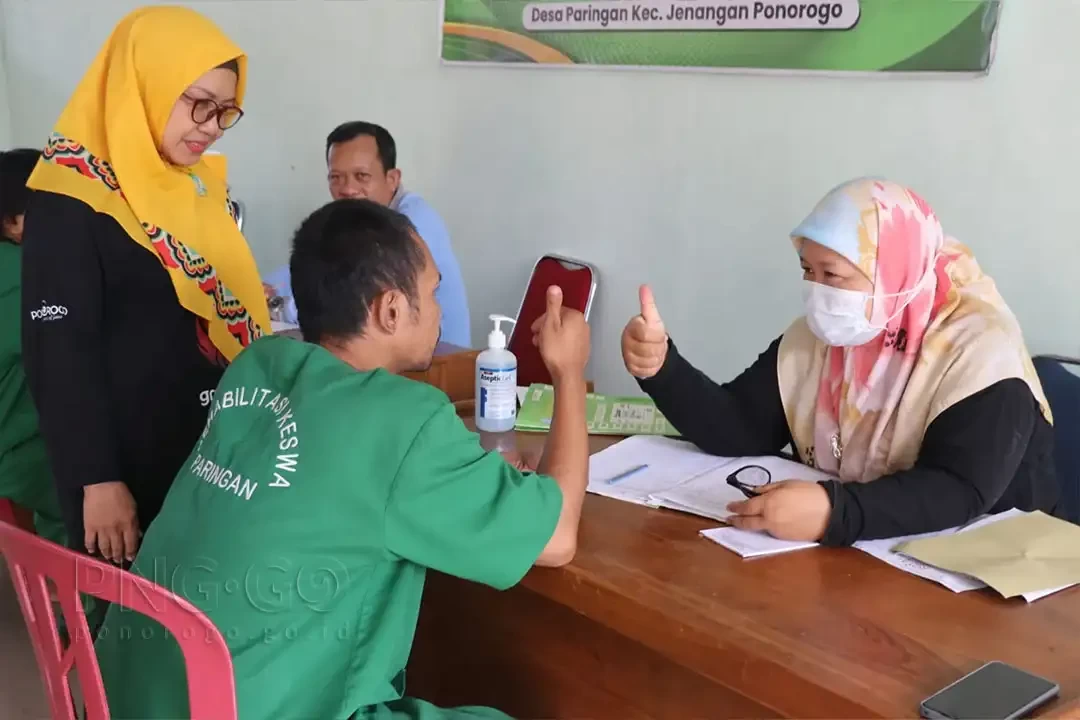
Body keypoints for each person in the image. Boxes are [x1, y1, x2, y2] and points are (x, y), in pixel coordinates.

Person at [94, 198, 591, 719]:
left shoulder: (256, 365)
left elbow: (323, 477)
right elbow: (557, 537)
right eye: (433, 291)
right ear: (391, 310)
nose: (441, 310)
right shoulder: (404, 418)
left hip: (132, 697)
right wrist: (569, 373)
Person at [622, 177, 1058, 545]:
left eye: (832, 274)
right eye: (807, 270)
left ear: (894, 274)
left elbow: (958, 488)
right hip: (873, 557)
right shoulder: (826, 334)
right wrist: (662, 368)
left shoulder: (978, 347)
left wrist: (835, 511)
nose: (817, 290)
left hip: (993, 566)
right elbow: (740, 427)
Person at [20, 6, 269, 569]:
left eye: (225, 111)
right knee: (136, 636)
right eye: (196, 102)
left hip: (202, 451)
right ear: (141, 84)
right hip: (124, 467)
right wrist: (95, 478)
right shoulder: (71, 199)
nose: (209, 124)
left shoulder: (194, 189)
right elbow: (60, 353)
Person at [264, 121, 472, 346]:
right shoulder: (355, 221)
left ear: (392, 179)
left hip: (441, 365)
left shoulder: (413, 224)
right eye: (336, 177)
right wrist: (263, 290)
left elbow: (350, 300)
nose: (347, 189)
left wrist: (278, 306)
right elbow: (312, 268)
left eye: (361, 176)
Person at [0, 148, 65, 548]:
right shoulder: (27, 276)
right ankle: (85, 602)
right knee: (88, 481)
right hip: (17, 447)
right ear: (10, 223)